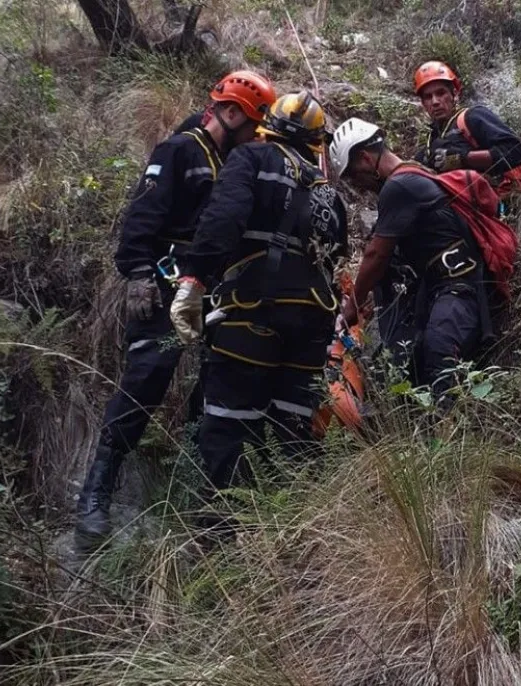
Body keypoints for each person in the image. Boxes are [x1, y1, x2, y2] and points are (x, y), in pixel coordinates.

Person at [74, 70, 276, 553]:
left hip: (211, 286)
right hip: (165, 283)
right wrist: (139, 274)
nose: (254, 136)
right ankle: (96, 494)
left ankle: (195, 490)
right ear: (232, 113)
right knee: (146, 379)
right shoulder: (179, 152)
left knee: (212, 386)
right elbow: (141, 217)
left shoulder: (229, 162)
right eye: (252, 125)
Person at [169, 91, 348, 501]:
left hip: (254, 311)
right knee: (292, 426)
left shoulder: (251, 158)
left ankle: (224, 524)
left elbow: (223, 219)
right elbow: (337, 257)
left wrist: (193, 281)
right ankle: (291, 517)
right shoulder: (329, 193)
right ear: (315, 142)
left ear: (269, 128)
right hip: (312, 324)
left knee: (229, 423)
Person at [330, 117, 493, 407]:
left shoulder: (399, 186)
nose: (359, 186)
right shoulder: (415, 172)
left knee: (439, 350)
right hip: (446, 287)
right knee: (419, 359)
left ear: (366, 158)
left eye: (355, 176)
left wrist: (352, 305)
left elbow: (376, 255)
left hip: (459, 286)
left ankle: (449, 426)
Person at [412, 60, 521, 203]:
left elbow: (516, 151)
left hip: (496, 202)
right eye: (428, 97)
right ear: (423, 103)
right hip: (459, 206)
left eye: (441, 93)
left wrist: (463, 157)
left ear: (454, 94)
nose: (435, 101)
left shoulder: (472, 117)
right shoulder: (431, 142)